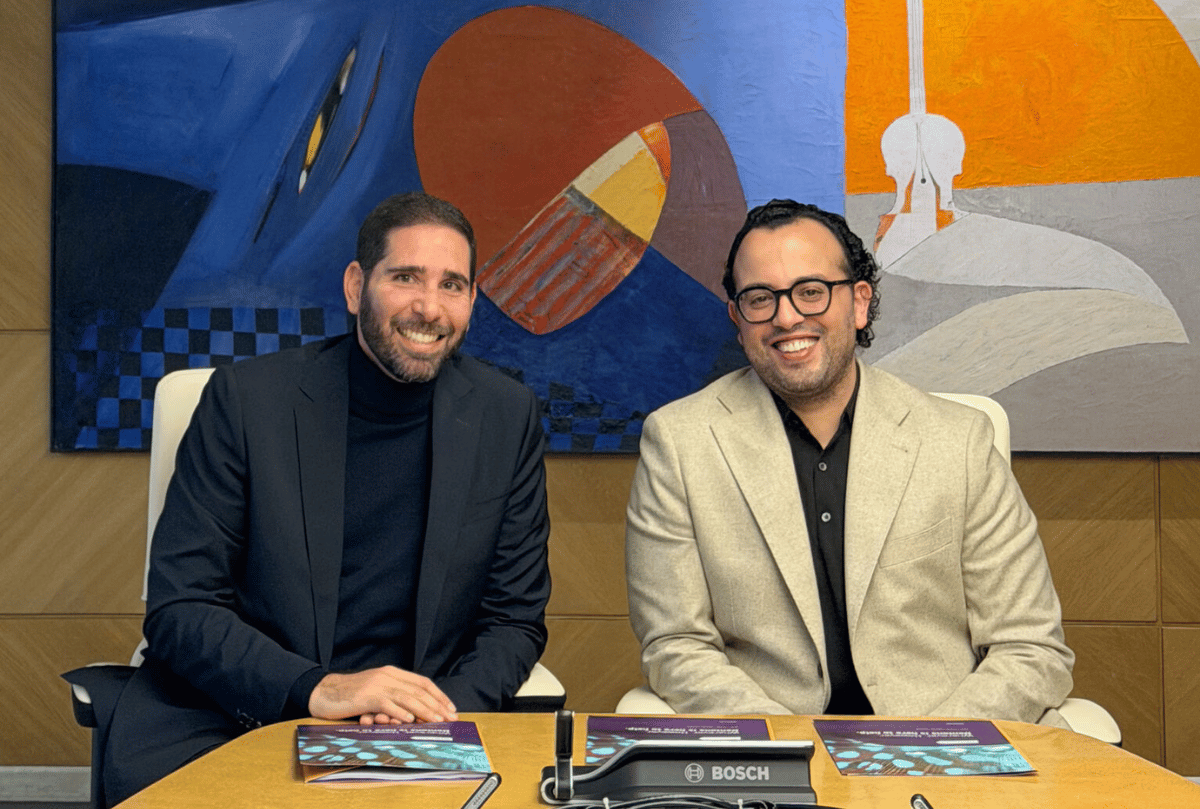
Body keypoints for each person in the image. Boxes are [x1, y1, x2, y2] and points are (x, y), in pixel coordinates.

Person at [103, 192, 551, 804]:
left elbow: (513, 620)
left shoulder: (506, 416)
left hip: (422, 726)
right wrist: (321, 689)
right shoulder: (246, 402)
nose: (429, 307)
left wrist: (435, 715)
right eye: (405, 277)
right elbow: (181, 607)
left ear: (471, 300)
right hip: (246, 712)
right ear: (356, 287)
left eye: (452, 285)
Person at [625, 199, 1073, 723]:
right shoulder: (679, 444)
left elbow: (1030, 647)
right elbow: (676, 645)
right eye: (760, 298)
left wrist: (930, 748)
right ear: (738, 320)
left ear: (860, 303)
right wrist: (789, 746)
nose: (786, 316)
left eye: (811, 292)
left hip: (941, 742)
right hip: (776, 748)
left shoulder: (960, 442)